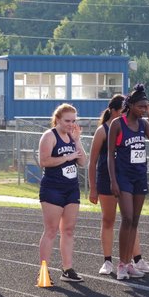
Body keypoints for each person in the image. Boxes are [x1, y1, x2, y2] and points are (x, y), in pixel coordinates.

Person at [88, 95, 149, 276]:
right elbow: (92, 161)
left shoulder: (133, 125)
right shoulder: (103, 130)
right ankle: (107, 261)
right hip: (108, 179)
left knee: (130, 219)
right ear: (114, 111)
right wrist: (93, 188)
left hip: (128, 177)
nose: (126, 114)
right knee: (109, 219)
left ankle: (136, 259)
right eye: (122, 111)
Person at [107, 84, 149, 280]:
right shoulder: (117, 124)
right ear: (130, 105)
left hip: (140, 176)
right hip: (123, 177)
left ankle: (129, 263)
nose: (144, 110)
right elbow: (110, 155)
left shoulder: (144, 124)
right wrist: (113, 181)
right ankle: (121, 264)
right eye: (141, 107)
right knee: (127, 218)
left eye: (146, 107)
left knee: (135, 220)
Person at [38, 104, 87, 282]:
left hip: (71, 188)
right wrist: (66, 157)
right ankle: (44, 270)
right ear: (57, 119)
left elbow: (83, 162)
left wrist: (77, 140)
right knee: (51, 230)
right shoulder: (49, 136)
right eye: (67, 121)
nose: (71, 124)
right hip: (53, 188)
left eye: (74, 121)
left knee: (68, 229)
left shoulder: (72, 137)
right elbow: (43, 161)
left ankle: (67, 269)